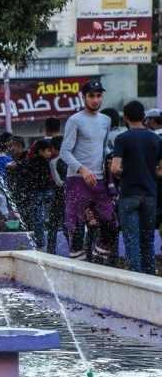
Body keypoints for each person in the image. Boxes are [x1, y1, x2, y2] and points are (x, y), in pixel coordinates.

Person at [59, 80, 118, 265]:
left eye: (99, 95)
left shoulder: (106, 120)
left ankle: (96, 265)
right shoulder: (75, 120)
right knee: (76, 227)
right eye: (91, 96)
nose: (95, 99)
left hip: (100, 181)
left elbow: (102, 147)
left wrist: (110, 157)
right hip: (77, 179)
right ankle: (78, 270)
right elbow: (64, 152)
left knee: (111, 226)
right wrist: (82, 169)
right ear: (83, 97)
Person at [110, 100, 162, 274]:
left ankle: (135, 279)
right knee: (147, 240)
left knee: (131, 240)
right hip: (150, 195)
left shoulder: (122, 138)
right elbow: (161, 171)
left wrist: (128, 171)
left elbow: (115, 168)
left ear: (125, 117)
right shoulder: (156, 139)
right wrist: (146, 171)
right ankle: (150, 278)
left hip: (129, 195)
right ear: (144, 116)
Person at [47, 135, 67, 254]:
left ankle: (51, 251)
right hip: (71, 197)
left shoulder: (54, 162)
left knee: (53, 225)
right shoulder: (72, 160)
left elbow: (58, 182)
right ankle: (74, 248)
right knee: (68, 225)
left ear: (54, 148)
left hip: (59, 197)